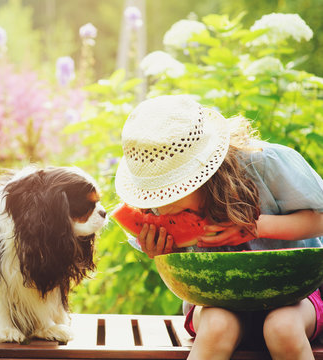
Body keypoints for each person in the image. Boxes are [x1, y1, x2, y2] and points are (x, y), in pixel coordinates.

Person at [114, 95, 323, 360]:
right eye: (154, 194)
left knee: (283, 329)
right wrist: (162, 251)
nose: (161, 206)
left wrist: (257, 227)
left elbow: (319, 220)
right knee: (216, 327)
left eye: (170, 191)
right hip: (211, 302)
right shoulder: (151, 205)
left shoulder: (265, 163)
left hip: (294, 298)